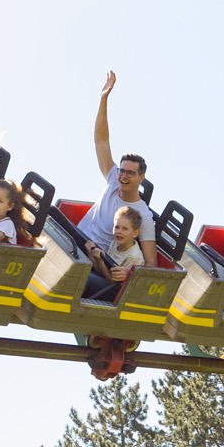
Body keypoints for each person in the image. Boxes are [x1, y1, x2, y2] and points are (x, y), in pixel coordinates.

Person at [77, 72, 158, 297]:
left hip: (96, 259)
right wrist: (104, 99)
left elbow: (151, 263)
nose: (123, 177)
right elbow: (101, 140)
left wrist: (129, 273)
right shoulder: (113, 178)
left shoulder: (143, 215)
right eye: (122, 171)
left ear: (141, 178)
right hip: (77, 240)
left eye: (130, 174)